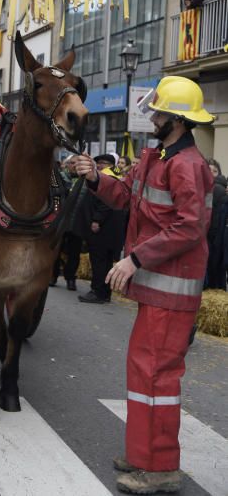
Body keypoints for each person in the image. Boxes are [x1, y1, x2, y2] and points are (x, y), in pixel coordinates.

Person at [75, 75, 214, 495]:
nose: (151, 116)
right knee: (144, 374)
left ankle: (159, 470)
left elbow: (190, 228)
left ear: (175, 119)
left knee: (158, 379)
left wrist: (135, 259)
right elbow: (126, 198)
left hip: (170, 296)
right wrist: (94, 176)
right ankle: (143, 456)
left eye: (157, 112)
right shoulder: (157, 158)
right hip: (158, 292)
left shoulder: (187, 166)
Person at [78, 154, 126, 304]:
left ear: (111, 164)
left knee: (99, 260)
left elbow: (106, 202)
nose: (99, 165)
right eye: (97, 163)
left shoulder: (108, 178)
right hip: (111, 229)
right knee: (104, 262)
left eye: (103, 163)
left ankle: (97, 291)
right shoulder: (116, 175)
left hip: (103, 228)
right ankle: (105, 292)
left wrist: (97, 220)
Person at [50, 156, 83, 291]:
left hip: (77, 220)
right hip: (60, 220)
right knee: (55, 250)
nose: (75, 166)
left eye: (77, 163)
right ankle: (52, 276)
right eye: (72, 163)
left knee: (74, 252)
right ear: (67, 164)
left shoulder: (86, 180)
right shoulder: (59, 178)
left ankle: (71, 278)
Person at [205, 158, 227, 289]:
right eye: (209, 170)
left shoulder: (218, 190)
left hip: (213, 239)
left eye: (215, 171)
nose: (211, 173)